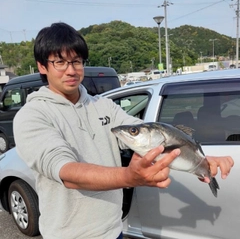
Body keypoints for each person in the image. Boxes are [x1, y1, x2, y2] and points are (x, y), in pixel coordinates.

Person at [13, 22, 234, 239]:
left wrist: (199, 160)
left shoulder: (103, 105)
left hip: (113, 230)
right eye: (59, 62)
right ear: (42, 66)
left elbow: (146, 138)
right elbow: (67, 172)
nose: (71, 70)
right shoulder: (32, 116)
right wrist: (130, 177)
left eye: (77, 61)